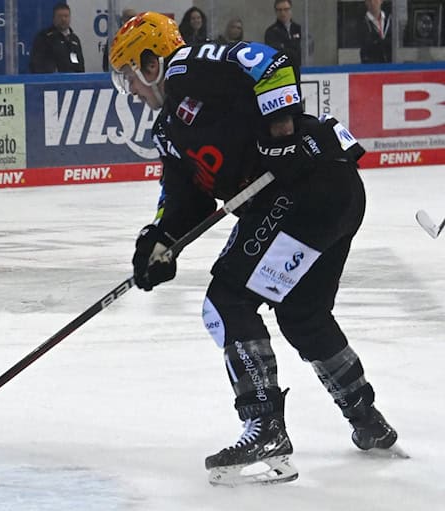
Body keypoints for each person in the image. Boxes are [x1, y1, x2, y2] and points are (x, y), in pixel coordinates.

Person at [108, 12, 400, 486]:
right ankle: (367, 419)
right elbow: (185, 194)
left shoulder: (186, 65)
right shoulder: (169, 128)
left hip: (309, 184)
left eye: (130, 77)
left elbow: (268, 62)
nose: (134, 92)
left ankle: (265, 427)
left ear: (149, 61)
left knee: (226, 302)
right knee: (303, 313)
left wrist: (280, 133)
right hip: (330, 194)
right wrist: (158, 238)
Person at [29, 3, 85, 74]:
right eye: (60, 16)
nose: (63, 19)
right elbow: (36, 64)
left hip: (73, 81)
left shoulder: (74, 39)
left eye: (66, 16)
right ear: (54, 18)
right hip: (52, 81)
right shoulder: (44, 37)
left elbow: (80, 65)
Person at [264, 0, 303, 71]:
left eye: (286, 9)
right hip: (282, 70)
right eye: (279, 10)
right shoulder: (271, 31)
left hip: (299, 68)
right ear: (276, 12)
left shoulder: (298, 28)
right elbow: (275, 53)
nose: (283, 13)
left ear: (291, 10)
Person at [103, 7, 137, 72]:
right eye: (129, 18)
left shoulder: (140, 36)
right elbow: (106, 62)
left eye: (134, 18)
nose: (132, 21)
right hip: (119, 73)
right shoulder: (115, 38)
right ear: (123, 20)